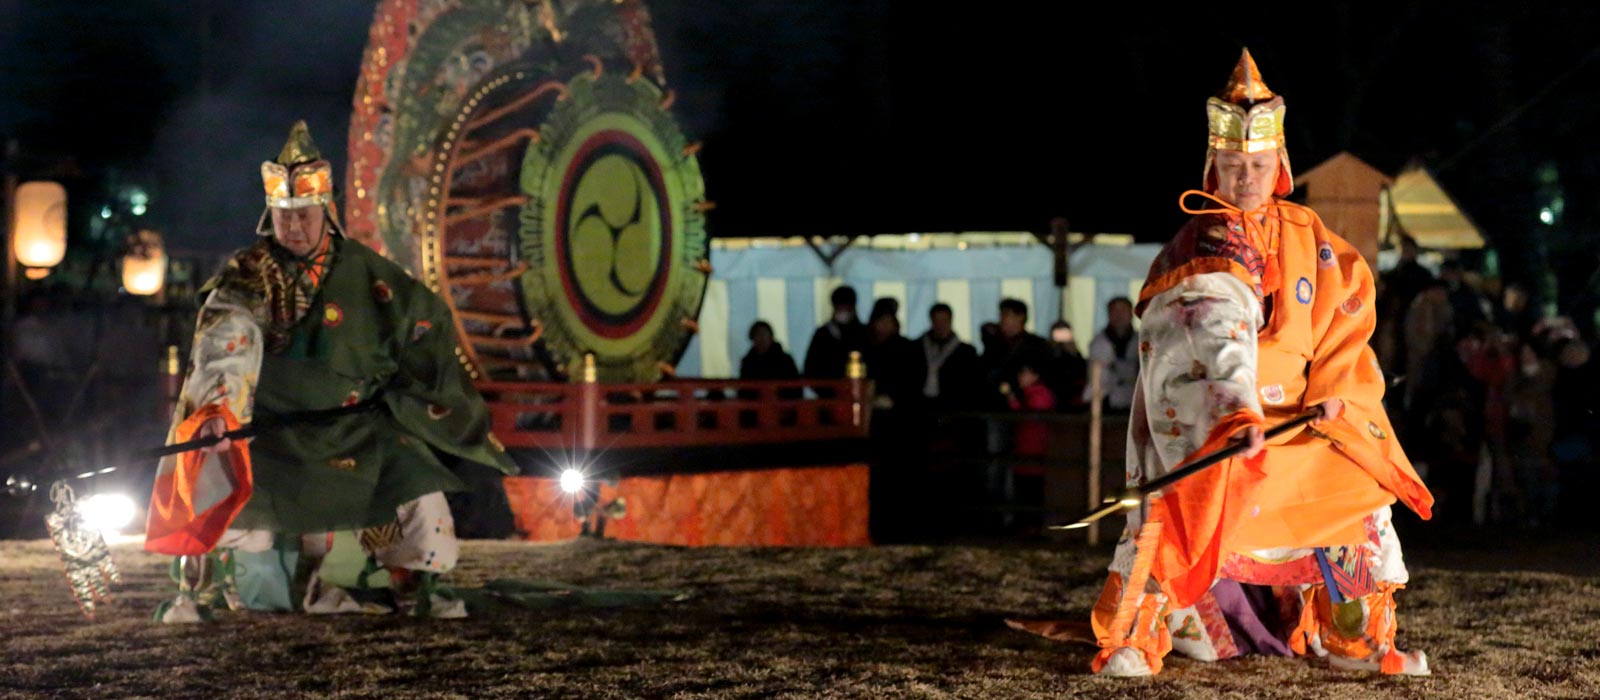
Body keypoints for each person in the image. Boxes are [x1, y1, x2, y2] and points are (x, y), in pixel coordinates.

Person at [1074, 51, 1433, 677]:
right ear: (1213, 167)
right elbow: (1211, 331)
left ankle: (1351, 638)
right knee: (1183, 497)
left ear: (1281, 165)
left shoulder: (1313, 238)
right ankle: (1136, 638)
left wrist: (1337, 398)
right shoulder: (1205, 242)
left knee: (1355, 487)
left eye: (1259, 165)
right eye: (1235, 166)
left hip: (1302, 418)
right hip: (1221, 418)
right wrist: (1234, 409)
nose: (1247, 178)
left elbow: (1345, 332)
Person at [144, 122, 517, 622]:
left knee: (412, 478)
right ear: (269, 213)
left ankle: (418, 588)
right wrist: (218, 410)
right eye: (283, 215)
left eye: (304, 214)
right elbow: (225, 337)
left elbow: (421, 323)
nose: (293, 226)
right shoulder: (248, 273)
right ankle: (201, 591)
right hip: (269, 428)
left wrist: (406, 395)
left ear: (327, 212)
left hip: (353, 428)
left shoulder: (369, 273)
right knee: (209, 462)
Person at [981, 298, 1051, 408]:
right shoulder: (995, 344)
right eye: (1001, 315)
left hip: (1026, 404)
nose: (1002, 319)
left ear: (1020, 317)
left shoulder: (1037, 345)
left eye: (1006, 315)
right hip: (995, 405)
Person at [917, 303, 981, 410]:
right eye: (937, 321)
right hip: (922, 406)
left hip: (953, 408)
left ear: (950, 321)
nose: (940, 325)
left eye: (944, 320)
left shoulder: (966, 352)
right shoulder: (917, 349)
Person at [863, 298, 921, 410]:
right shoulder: (865, 347)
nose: (885, 325)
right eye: (881, 320)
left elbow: (911, 380)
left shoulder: (906, 348)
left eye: (888, 321)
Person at [803, 285, 868, 379]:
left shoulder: (864, 333)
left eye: (847, 307)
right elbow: (810, 368)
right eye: (840, 307)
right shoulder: (823, 334)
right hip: (828, 391)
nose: (843, 311)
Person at [1085, 297, 1139, 411]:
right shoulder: (1098, 343)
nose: (1119, 315)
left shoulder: (1141, 341)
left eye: (1123, 311)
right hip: (1104, 401)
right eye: (1115, 311)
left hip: (1135, 402)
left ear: (1131, 314)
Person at [1045, 320, 1088, 412]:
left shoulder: (1075, 356)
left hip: (1073, 399)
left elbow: (1081, 371)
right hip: (1053, 398)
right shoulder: (1047, 354)